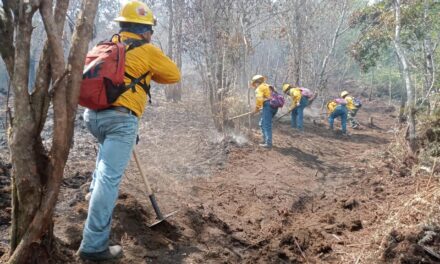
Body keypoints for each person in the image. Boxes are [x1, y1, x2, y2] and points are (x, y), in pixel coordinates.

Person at [78, 1, 180, 261]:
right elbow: (173, 75)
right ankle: (93, 245)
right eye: (151, 31)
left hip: (92, 117)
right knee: (108, 179)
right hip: (120, 120)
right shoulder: (147, 50)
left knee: (103, 163)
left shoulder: (105, 46)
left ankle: (91, 199)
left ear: (122, 26)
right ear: (145, 31)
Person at [250, 75, 277, 149]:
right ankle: (265, 140)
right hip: (274, 107)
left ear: (256, 82)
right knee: (262, 123)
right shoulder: (268, 86)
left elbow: (259, 99)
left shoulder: (259, 88)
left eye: (254, 84)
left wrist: (256, 109)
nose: (254, 86)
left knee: (266, 124)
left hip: (268, 106)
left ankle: (268, 143)